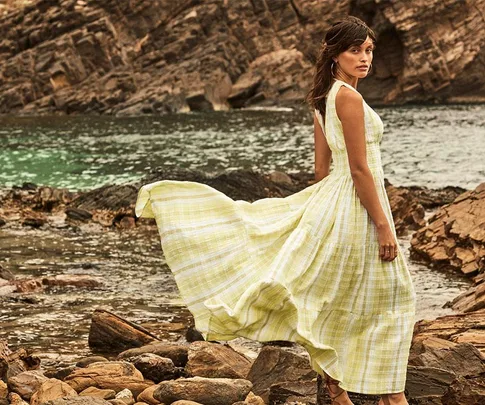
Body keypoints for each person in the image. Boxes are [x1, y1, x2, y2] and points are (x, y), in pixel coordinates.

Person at [135, 15, 416, 405]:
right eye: (356, 50)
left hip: (337, 203)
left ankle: (342, 391)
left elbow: (322, 172)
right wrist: (383, 226)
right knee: (392, 297)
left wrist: (311, 218)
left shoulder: (323, 98)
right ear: (334, 54)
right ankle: (389, 394)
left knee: (343, 295)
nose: (365, 57)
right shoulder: (348, 97)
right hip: (356, 204)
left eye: (369, 50)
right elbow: (357, 168)